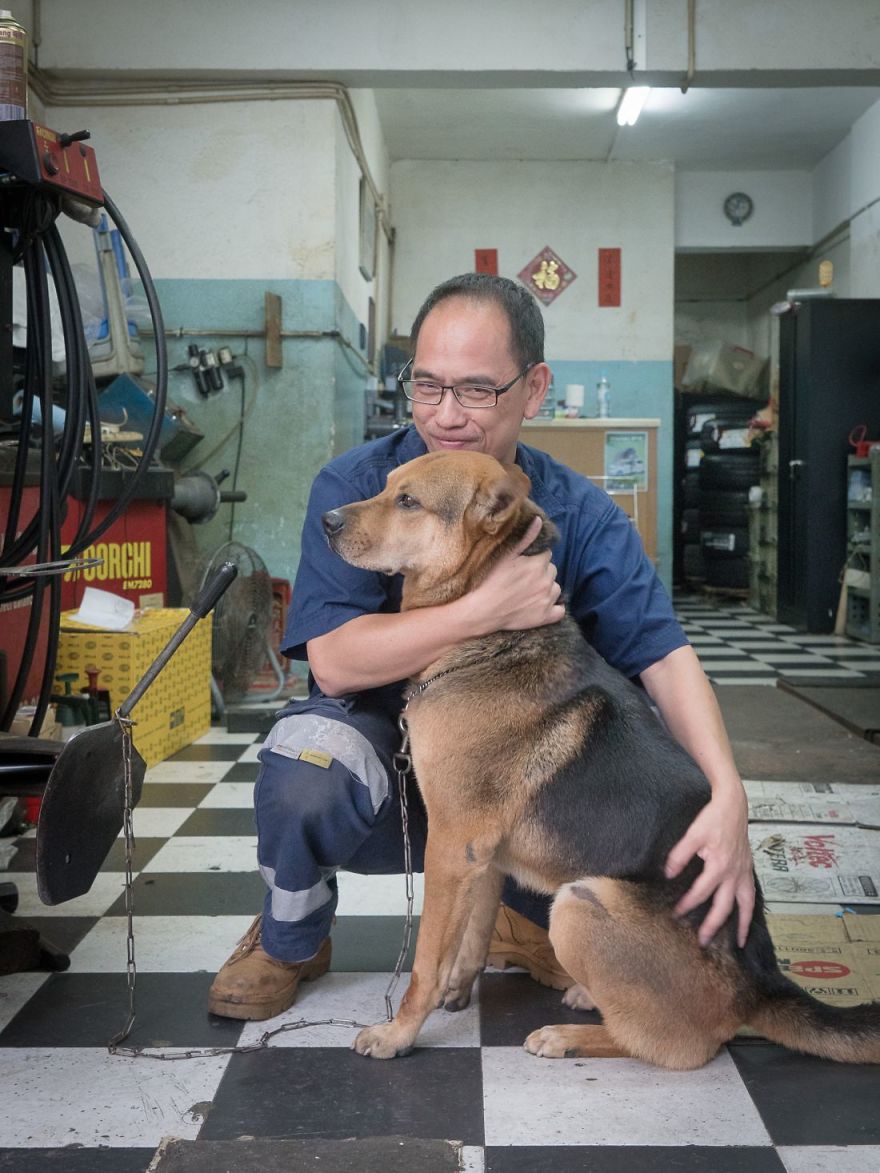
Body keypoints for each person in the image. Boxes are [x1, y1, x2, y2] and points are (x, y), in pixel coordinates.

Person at [208, 273, 755, 1022]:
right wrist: (478, 611)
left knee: (602, 874)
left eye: (475, 390)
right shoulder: (361, 486)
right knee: (306, 764)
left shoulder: (578, 511)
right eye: (427, 386)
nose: (446, 414)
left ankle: (512, 918)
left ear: (534, 389)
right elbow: (332, 658)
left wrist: (729, 796)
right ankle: (290, 937)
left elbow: (664, 655)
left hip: (521, 797)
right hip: (386, 768)